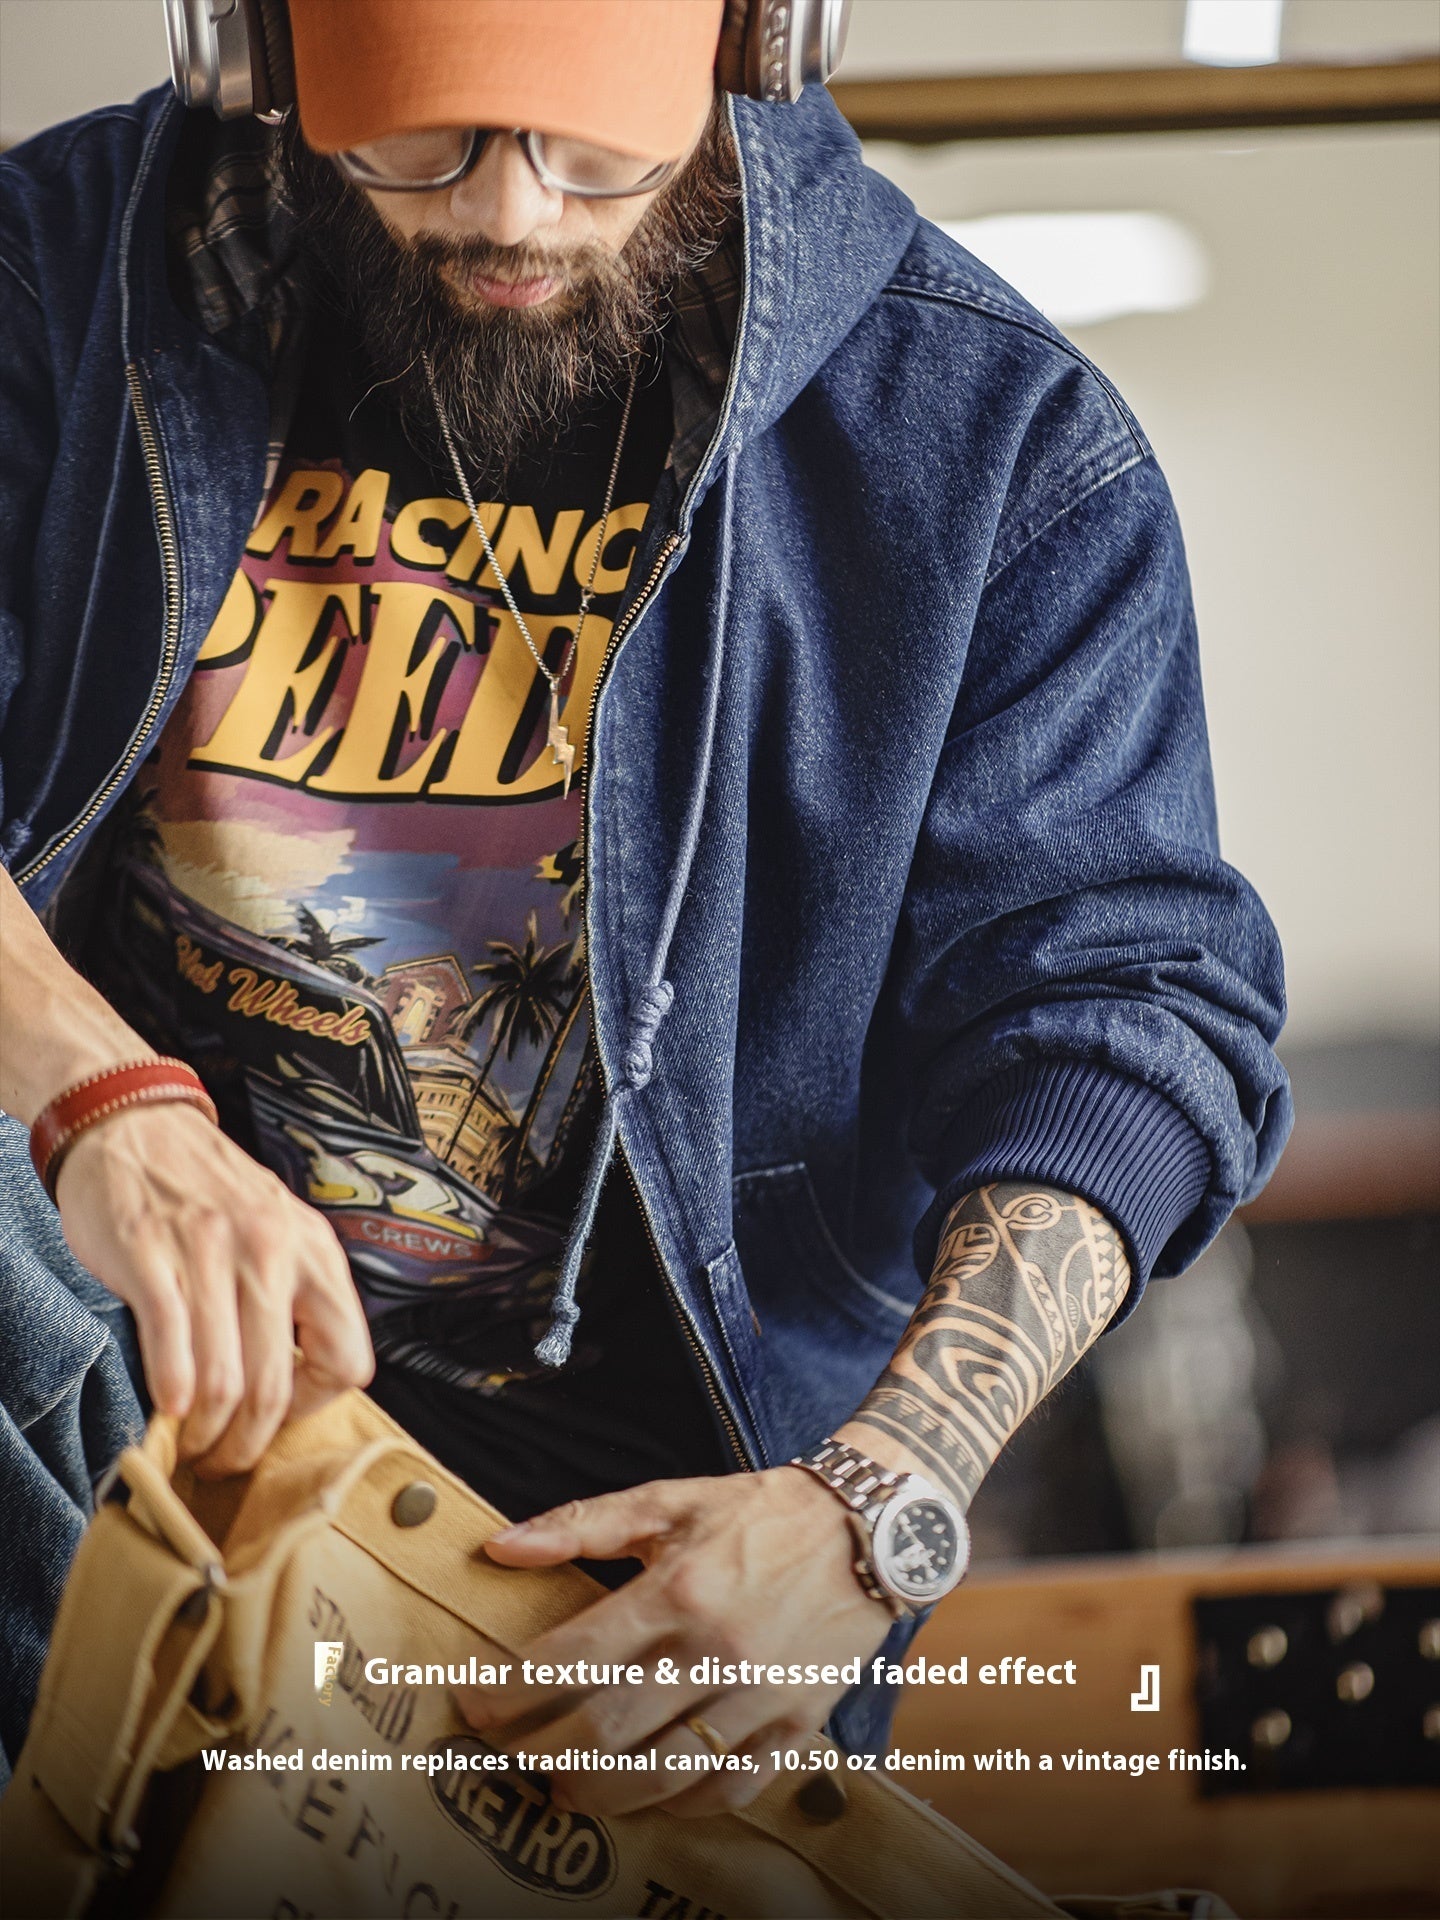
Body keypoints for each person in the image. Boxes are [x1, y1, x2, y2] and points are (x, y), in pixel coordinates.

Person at [0, 0, 1290, 1814]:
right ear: (260, 54)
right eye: (419, 145)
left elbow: (1128, 1019)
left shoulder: (994, 451)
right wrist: (89, 1097)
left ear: (763, 39)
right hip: (119, 1425)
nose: (511, 214)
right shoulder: (56, 286)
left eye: (593, 149)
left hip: (656, 1537)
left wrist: (876, 1508)